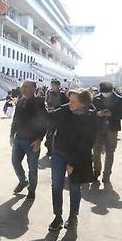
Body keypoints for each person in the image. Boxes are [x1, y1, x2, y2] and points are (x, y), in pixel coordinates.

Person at [46, 89, 98, 231]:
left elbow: (88, 142)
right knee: (56, 185)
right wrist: (40, 106)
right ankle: (57, 217)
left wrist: (73, 162)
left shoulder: (90, 117)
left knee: (74, 186)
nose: (70, 103)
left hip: (77, 156)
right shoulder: (65, 109)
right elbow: (49, 117)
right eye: (69, 100)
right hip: (58, 152)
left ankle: (73, 216)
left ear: (83, 103)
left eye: (73, 101)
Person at [9, 80, 47, 200]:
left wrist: (39, 139)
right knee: (15, 162)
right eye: (23, 87)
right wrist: (11, 135)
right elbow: (15, 119)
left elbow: (44, 122)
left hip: (32, 141)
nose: (24, 89)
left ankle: (32, 190)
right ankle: (22, 181)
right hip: (19, 139)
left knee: (32, 167)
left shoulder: (39, 102)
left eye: (27, 87)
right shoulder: (20, 101)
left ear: (34, 89)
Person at [91, 82, 122, 183]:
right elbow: (91, 111)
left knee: (110, 152)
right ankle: (96, 171)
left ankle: (106, 175)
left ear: (112, 90)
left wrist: (112, 114)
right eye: (103, 92)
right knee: (96, 151)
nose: (105, 94)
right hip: (98, 128)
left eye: (107, 92)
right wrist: (97, 113)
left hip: (112, 129)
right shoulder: (96, 98)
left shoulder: (119, 99)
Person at [44, 79, 69, 157]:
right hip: (50, 116)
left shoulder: (62, 94)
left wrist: (56, 107)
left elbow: (66, 105)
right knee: (49, 134)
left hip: (59, 116)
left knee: (58, 135)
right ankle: (49, 149)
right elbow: (46, 101)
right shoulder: (49, 93)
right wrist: (47, 105)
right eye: (52, 85)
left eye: (54, 85)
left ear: (58, 86)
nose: (52, 87)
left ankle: (56, 150)